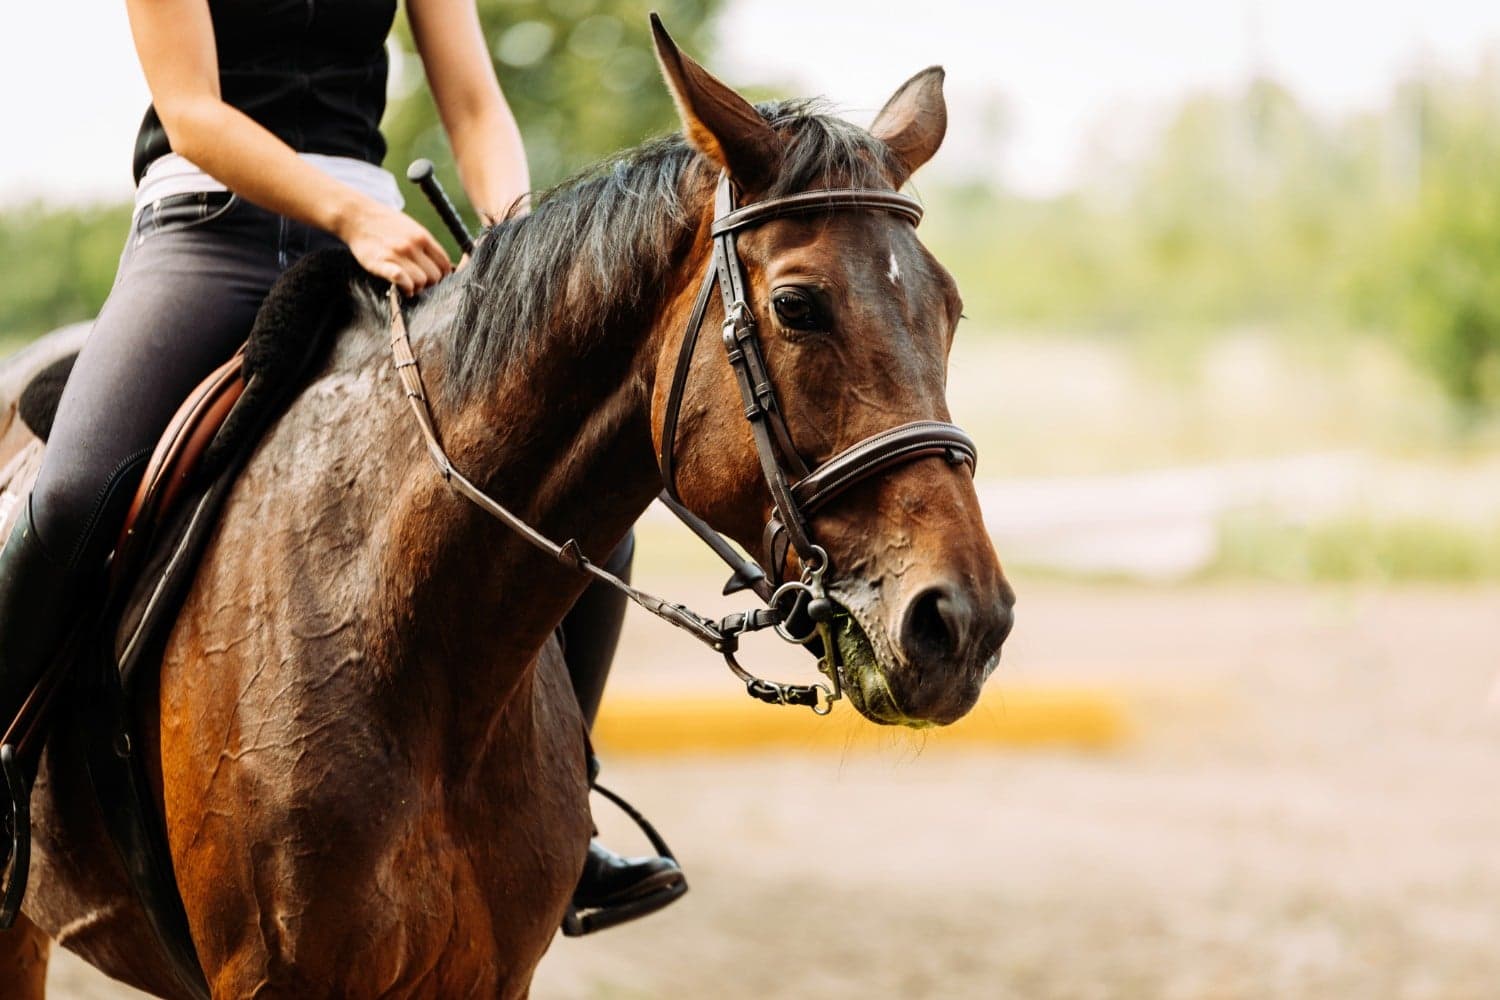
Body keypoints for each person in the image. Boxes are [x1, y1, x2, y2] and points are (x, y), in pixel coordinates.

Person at [0, 0, 683, 932]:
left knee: (581, 498)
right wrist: (349, 212)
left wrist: (522, 247)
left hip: (377, 245)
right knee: (75, 494)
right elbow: (193, 111)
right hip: (208, 231)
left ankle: (575, 808)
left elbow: (476, 108)